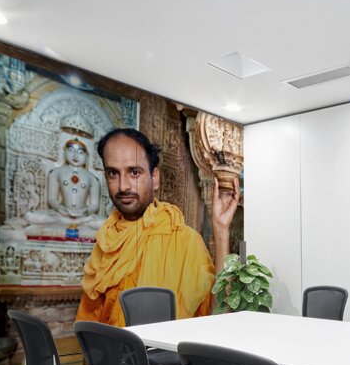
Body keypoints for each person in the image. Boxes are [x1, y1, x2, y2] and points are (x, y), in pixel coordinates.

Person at [75, 128, 239, 326]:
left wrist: (221, 230)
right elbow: (89, 326)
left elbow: (219, 315)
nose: (123, 186)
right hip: (115, 355)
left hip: (169, 356)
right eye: (113, 173)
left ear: (155, 178)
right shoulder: (107, 241)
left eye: (134, 172)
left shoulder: (185, 240)